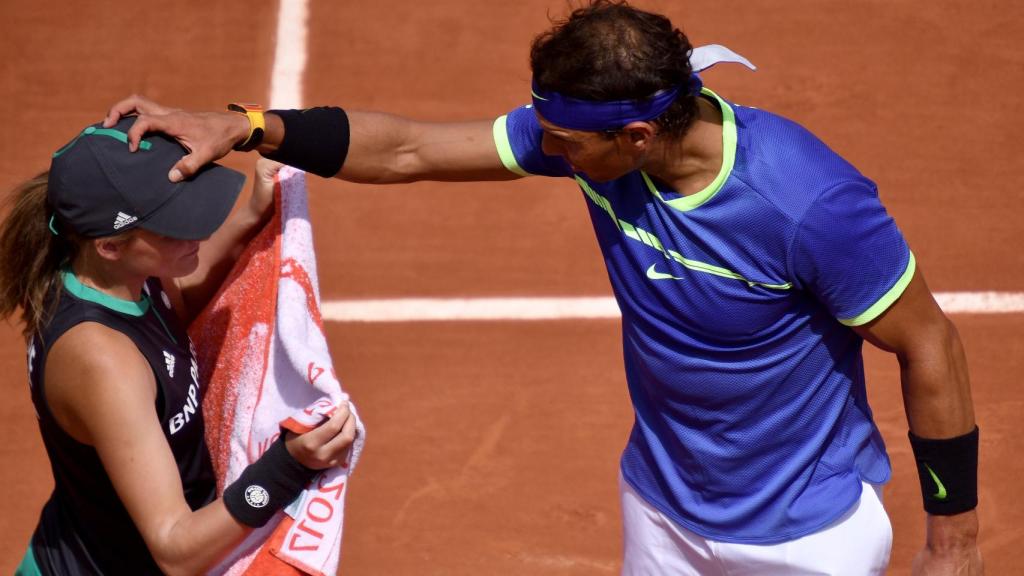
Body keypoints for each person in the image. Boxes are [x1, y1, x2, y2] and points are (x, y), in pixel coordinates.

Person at [101, 1, 981, 574]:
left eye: (563, 142)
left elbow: (930, 342)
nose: (542, 151)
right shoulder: (594, 146)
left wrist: (954, 542)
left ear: (638, 135)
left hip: (805, 536)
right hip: (663, 506)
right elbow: (410, 149)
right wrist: (249, 126)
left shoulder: (806, 204)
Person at [0, 118, 358, 575]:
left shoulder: (123, 274)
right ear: (110, 245)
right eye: (178, 224)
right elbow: (175, 549)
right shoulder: (102, 361)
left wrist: (250, 216)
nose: (200, 233)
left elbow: (175, 304)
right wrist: (288, 465)